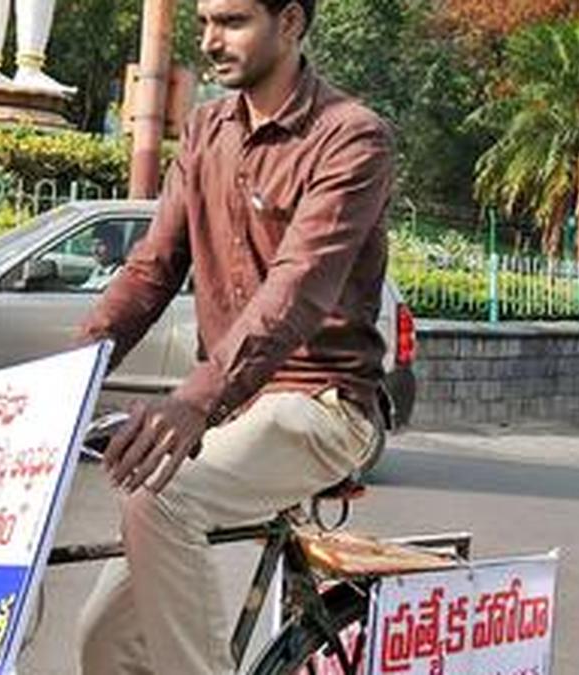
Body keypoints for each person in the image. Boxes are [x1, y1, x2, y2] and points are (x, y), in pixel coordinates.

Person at [73, 0, 393, 672]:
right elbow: (151, 269)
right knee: (103, 640)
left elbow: (295, 292)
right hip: (235, 412)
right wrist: (65, 376)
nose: (213, 41)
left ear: (291, 23)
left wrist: (195, 402)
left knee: (160, 499)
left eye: (234, 21)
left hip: (322, 403)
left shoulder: (351, 137)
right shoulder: (204, 131)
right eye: (203, 24)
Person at [79, 226, 125, 291]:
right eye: (93, 244)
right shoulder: (100, 269)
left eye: (100, 244)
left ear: (114, 246)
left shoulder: (119, 276)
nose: (94, 250)